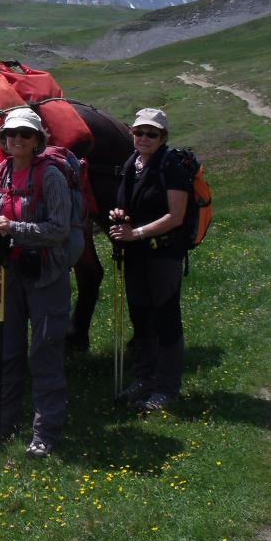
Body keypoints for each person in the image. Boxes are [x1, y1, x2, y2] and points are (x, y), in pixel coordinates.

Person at [0, 107, 71, 458]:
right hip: (5, 278)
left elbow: (59, 229)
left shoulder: (52, 177)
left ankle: (45, 433)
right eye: (11, 135)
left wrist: (14, 229)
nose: (17, 140)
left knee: (44, 352)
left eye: (24, 135)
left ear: (36, 141)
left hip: (46, 276)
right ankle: (1, 423)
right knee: (6, 353)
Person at [108, 108, 190, 413]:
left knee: (166, 319)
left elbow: (176, 216)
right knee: (141, 318)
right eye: (138, 132)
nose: (143, 138)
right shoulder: (134, 164)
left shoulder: (172, 167)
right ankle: (144, 377)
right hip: (138, 253)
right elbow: (126, 203)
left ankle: (166, 388)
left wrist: (136, 233)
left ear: (163, 137)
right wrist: (119, 215)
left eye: (151, 134)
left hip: (163, 253)